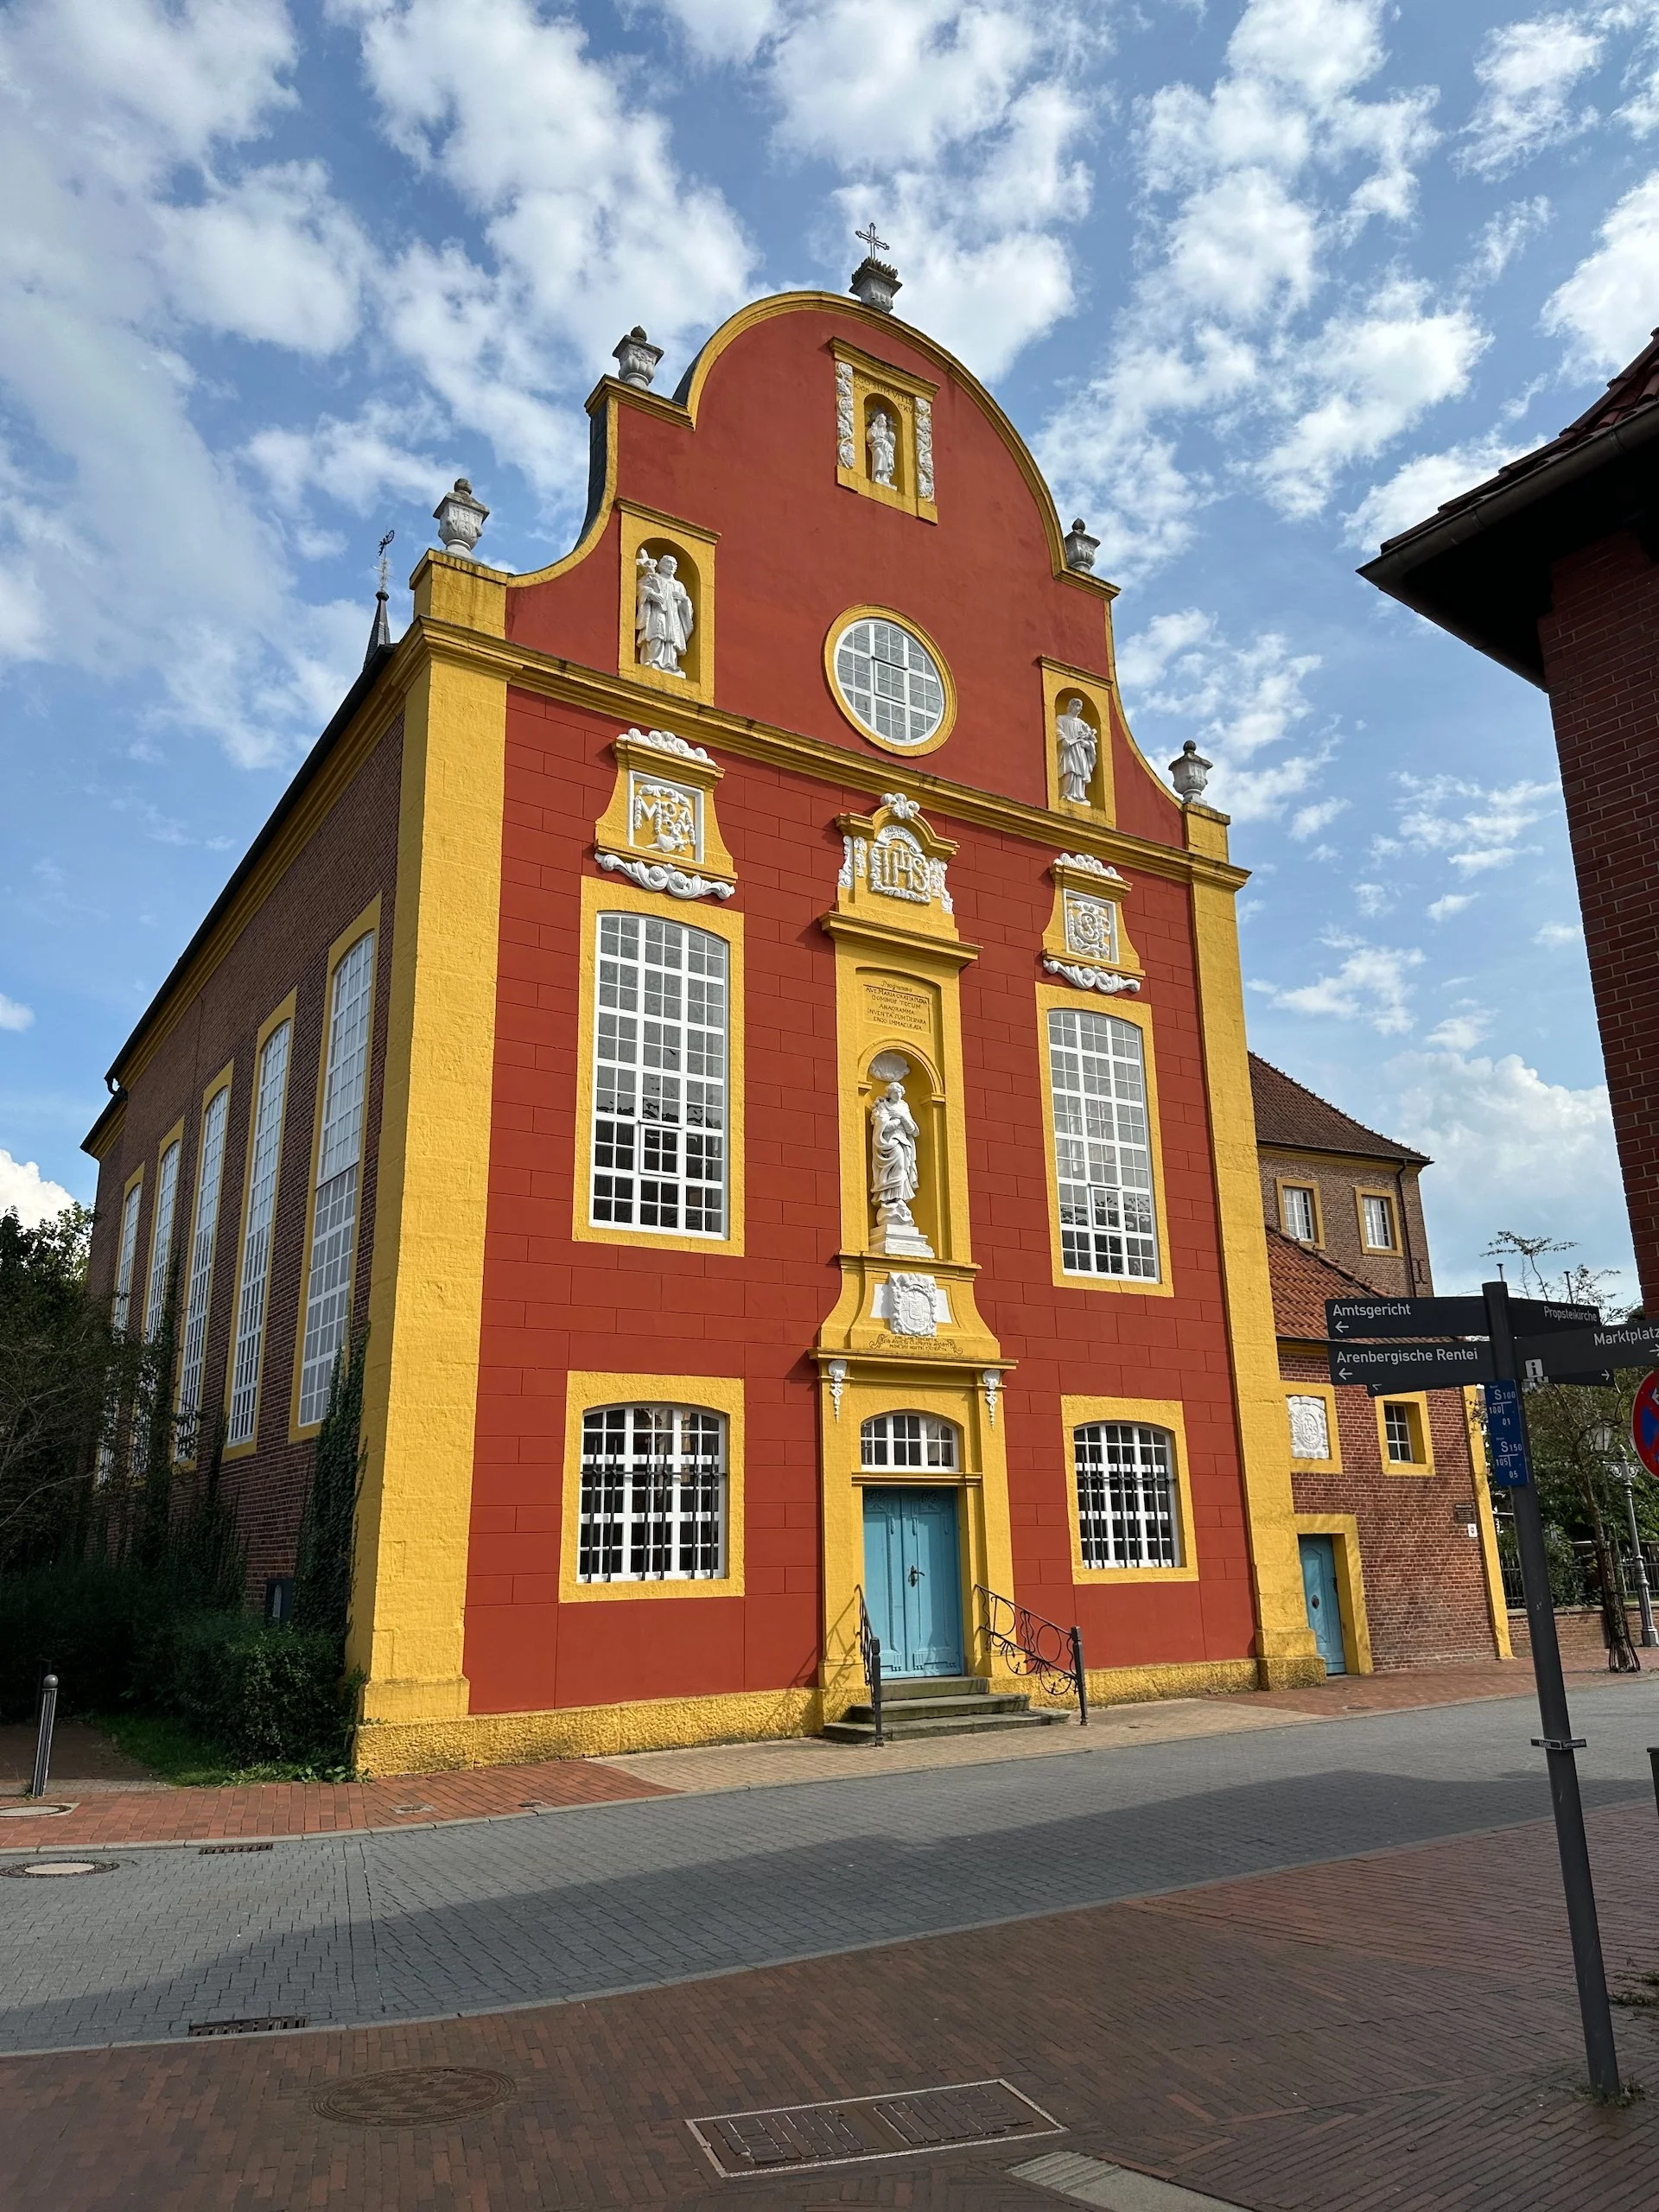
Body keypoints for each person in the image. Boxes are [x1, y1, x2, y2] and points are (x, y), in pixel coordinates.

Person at [636, 550, 695, 675]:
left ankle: (670, 665)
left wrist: (683, 600)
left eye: (674, 565)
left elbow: (687, 605)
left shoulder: (679, 585)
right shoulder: (654, 578)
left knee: (671, 641)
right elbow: (640, 587)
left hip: (673, 617)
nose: (672, 566)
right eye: (669, 563)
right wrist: (650, 594)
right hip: (658, 612)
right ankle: (652, 659)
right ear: (662, 565)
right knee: (657, 635)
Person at [1056, 696, 1098, 803]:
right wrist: (1064, 739)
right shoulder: (1061, 718)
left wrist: (1088, 744)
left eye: (1081, 706)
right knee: (1070, 769)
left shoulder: (1083, 724)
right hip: (1069, 750)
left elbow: (1092, 739)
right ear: (1071, 706)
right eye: (1078, 705)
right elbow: (1058, 730)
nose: (1080, 708)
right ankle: (1067, 793)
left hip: (1080, 751)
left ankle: (1080, 796)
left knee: (1080, 772)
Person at [867, 406, 897, 488]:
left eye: (884, 420)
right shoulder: (874, 429)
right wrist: (873, 429)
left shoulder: (887, 433)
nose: (882, 421)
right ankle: (877, 475)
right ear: (877, 421)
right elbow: (869, 439)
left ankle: (885, 478)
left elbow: (892, 444)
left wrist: (891, 439)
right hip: (877, 447)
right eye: (880, 419)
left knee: (887, 461)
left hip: (887, 450)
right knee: (879, 455)